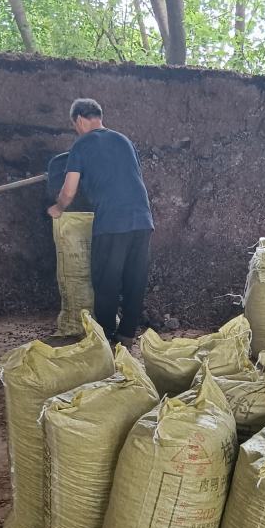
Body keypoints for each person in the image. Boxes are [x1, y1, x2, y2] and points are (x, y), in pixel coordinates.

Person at [47, 98, 154, 348]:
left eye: (75, 125)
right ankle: (127, 335)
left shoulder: (82, 145)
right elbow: (126, 176)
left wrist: (58, 207)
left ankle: (105, 337)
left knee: (106, 281)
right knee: (134, 280)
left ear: (80, 120)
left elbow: (69, 189)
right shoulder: (124, 140)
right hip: (142, 219)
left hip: (112, 222)